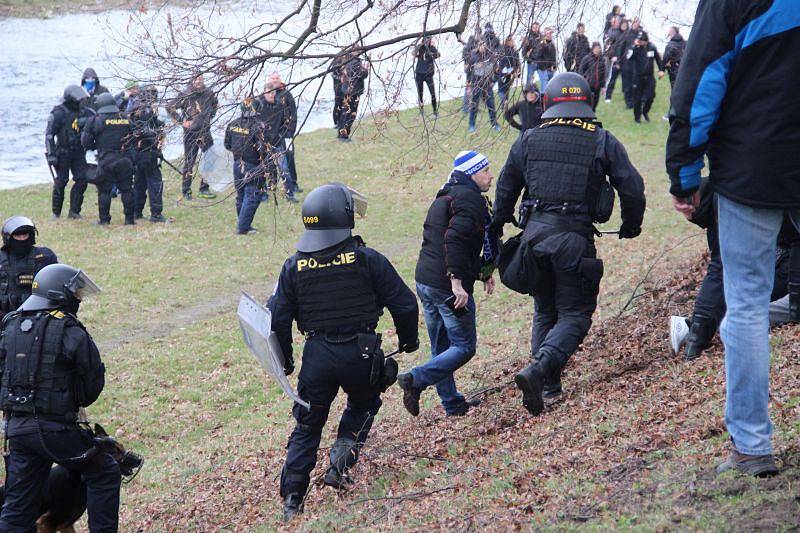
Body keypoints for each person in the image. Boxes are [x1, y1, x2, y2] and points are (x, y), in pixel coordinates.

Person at [665, 0, 800, 477]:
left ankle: (752, 445)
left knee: (745, 303)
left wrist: (684, 174)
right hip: (757, 164)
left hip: (752, 167)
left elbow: (701, 82)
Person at [490, 72, 645, 416]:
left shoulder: (528, 139)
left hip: (534, 239)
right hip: (574, 240)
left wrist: (500, 221)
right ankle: (540, 371)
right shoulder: (602, 139)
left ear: (547, 102)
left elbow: (506, 186)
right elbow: (632, 187)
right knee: (575, 314)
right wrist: (631, 225)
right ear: (586, 103)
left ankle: (547, 384)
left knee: (546, 309)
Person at [270, 183, 419, 520]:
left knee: (307, 426)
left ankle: (293, 498)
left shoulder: (293, 267)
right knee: (364, 403)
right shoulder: (368, 259)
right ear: (344, 216)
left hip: (317, 356)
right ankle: (340, 463)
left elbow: (278, 320)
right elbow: (406, 304)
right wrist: (408, 342)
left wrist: (287, 360)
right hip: (361, 354)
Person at [0, 263, 120, 532]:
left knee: (18, 505)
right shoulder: (69, 329)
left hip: (17, 430)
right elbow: (91, 385)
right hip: (56, 429)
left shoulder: (10, 326)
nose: (78, 298)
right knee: (105, 472)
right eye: (75, 293)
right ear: (60, 294)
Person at [397, 151, 498, 417]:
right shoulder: (469, 200)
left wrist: (483, 273)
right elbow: (454, 240)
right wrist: (456, 281)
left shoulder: (447, 194)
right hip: (445, 286)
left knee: (441, 346)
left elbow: (456, 243)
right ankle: (416, 379)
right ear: (472, 174)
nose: (491, 175)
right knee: (464, 346)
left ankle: (452, 404)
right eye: (485, 170)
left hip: (426, 282)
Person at [669, 186, 799, 360]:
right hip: (760, 195)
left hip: (739, 194)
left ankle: (696, 333)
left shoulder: (717, 196)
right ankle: (701, 332)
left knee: (726, 268)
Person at [81, 92, 136, 226]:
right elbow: (133, 138)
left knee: (104, 191)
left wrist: (97, 145)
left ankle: (104, 220)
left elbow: (85, 142)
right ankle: (129, 220)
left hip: (106, 160)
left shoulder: (95, 120)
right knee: (127, 189)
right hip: (125, 159)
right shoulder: (125, 118)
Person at [167, 74, 219, 200]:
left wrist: (209, 117)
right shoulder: (186, 94)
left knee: (211, 157)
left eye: (201, 79)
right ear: (192, 80)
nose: (199, 81)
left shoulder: (209, 93)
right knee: (190, 161)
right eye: (197, 79)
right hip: (191, 132)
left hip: (205, 131)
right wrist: (181, 121)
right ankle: (186, 190)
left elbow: (215, 105)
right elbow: (169, 107)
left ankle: (204, 188)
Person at [225, 98, 272, 234]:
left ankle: (242, 223)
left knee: (240, 196)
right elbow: (263, 149)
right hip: (253, 165)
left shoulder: (232, 124)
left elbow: (227, 145)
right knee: (252, 196)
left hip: (237, 164)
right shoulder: (258, 127)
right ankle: (243, 227)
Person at [45, 85, 93, 220]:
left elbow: (97, 124)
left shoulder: (86, 112)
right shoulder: (58, 113)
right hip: (63, 153)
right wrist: (52, 154)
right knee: (61, 181)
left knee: (82, 180)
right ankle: (56, 213)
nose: (81, 102)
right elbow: (49, 135)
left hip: (79, 152)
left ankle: (74, 211)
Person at [0, 216, 58, 316]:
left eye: (25, 234)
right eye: (17, 235)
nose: (22, 238)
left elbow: (57, 285)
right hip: (4, 316)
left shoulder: (45, 257)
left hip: (38, 315)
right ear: (8, 238)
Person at [130, 86, 166, 223]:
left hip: (139, 154)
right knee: (154, 183)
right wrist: (157, 136)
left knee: (140, 183)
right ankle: (156, 214)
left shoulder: (133, 112)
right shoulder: (145, 111)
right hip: (148, 153)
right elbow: (145, 131)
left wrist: (160, 127)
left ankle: (136, 211)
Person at [258, 80, 298, 203]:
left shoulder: (280, 106)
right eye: (268, 93)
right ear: (264, 93)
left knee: (284, 169)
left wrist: (282, 134)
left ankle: (289, 194)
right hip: (263, 143)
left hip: (278, 142)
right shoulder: (259, 106)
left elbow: (286, 122)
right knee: (263, 169)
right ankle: (263, 193)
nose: (271, 95)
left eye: (273, 92)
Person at [271, 73, 302, 194]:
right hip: (273, 136)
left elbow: (293, 113)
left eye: (276, 79)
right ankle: (272, 184)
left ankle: (293, 183)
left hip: (286, 134)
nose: (274, 81)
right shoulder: (267, 95)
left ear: (280, 80)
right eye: (272, 79)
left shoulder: (287, 95)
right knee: (272, 160)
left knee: (289, 157)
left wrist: (290, 131)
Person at [630, 31, 664, 123]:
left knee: (650, 96)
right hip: (638, 77)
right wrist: (633, 47)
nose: (640, 42)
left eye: (642, 40)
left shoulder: (652, 47)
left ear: (646, 40)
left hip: (649, 76)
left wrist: (661, 70)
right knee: (637, 98)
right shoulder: (635, 48)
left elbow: (658, 58)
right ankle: (637, 118)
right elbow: (628, 57)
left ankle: (645, 112)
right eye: (639, 40)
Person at [337, 51, 369, 142]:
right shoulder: (355, 62)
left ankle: (341, 133)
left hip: (347, 90)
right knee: (350, 113)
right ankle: (344, 135)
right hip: (353, 91)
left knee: (345, 111)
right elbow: (361, 75)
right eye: (359, 50)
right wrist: (366, 69)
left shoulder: (347, 59)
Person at [468, 41, 500, 133]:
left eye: (484, 45)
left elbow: (497, 71)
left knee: (491, 105)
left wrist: (493, 81)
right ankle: (471, 125)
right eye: (480, 45)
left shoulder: (491, 56)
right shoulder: (473, 56)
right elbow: (469, 71)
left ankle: (494, 124)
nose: (482, 47)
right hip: (476, 85)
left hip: (487, 85)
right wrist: (470, 83)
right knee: (474, 105)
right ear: (478, 46)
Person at [661, 26, 686, 120]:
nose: (668, 33)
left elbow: (666, 57)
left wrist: (662, 69)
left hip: (674, 71)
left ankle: (672, 114)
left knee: (674, 92)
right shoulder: (685, 42)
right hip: (684, 70)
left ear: (673, 33)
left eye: (670, 31)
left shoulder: (671, 44)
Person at [414, 37, 440, 116]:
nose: (426, 42)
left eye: (428, 40)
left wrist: (433, 47)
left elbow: (438, 55)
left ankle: (435, 111)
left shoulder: (432, 49)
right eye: (425, 40)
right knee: (420, 93)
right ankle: (421, 111)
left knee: (432, 93)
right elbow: (414, 54)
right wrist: (418, 45)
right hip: (419, 74)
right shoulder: (420, 48)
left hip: (428, 75)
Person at [614, 19, 636, 108]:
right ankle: (629, 103)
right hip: (625, 64)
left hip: (634, 64)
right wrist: (618, 62)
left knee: (634, 84)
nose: (625, 26)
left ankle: (634, 102)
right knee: (627, 84)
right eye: (623, 24)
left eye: (626, 25)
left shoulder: (633, 35)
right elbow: (619, 50)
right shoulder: (621, 36)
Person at [579, 42, 607, 112]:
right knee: (589, 101)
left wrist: (603, 86)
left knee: (595, 102)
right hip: (588, 84)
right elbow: (581, 70)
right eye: (596, 48)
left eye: (599, 48)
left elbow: (603, 73)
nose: (597, 50)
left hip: (598, 85)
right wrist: (583, 80)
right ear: (592, 49)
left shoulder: (602, 60)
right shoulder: (587, 58)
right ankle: (587, 115)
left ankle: (593, 113)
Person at [496, 36, 520, 109]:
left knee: (502, 89)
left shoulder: (505, 50)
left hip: (506, 72)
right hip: (507, 72)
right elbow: (517, 63)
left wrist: (517, 72)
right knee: (505, 89)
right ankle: (504, 103)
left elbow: (517, 62)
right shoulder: (510, 51)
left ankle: (504, 102)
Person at [603, 16, 623, 102]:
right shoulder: (612, 31)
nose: (615, 23)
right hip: (612, 56)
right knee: (610, 75)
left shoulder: (620, 31)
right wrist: (610, 55)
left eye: (617, 21)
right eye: (615, 22)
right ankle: (606, 94)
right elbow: (609, 44)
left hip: (618, 57)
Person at [331, 48, 350, 128]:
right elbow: (335, 73)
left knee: (343, 102)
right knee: (339, 102)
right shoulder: (337, 60)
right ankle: (337, 122)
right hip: (338, 84)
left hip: (342, 83)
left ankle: (341, 122)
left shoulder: (346, 57)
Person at [521, 22, 541, 86]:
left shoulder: (541, 37)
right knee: (529, 79)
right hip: (532, 62)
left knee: (544, 78)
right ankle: (527, 93)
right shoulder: (528, 38)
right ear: (531, 28)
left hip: (541, 61)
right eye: (534, 27)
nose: (535, 29)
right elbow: (523, 52)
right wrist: (529, 60)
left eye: (537, 27)